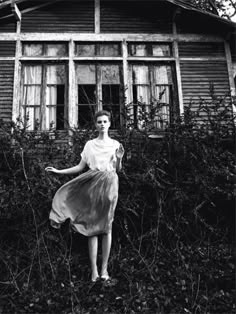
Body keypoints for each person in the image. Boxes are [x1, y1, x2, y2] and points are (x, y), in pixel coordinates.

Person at [45, 110, 124, 283]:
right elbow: (80, 167)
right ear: (95, 125)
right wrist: (59, 171)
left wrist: (118, 159)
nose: (102, 124)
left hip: (110, 185)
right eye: (99, 122)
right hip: (92, 185)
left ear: (110, 124)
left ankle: (104, 270)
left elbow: (118, 170)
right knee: (92, 227)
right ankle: (94, 272)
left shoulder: (116, 144)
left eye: (105, 121)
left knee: (107, 227)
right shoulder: (89, 145)